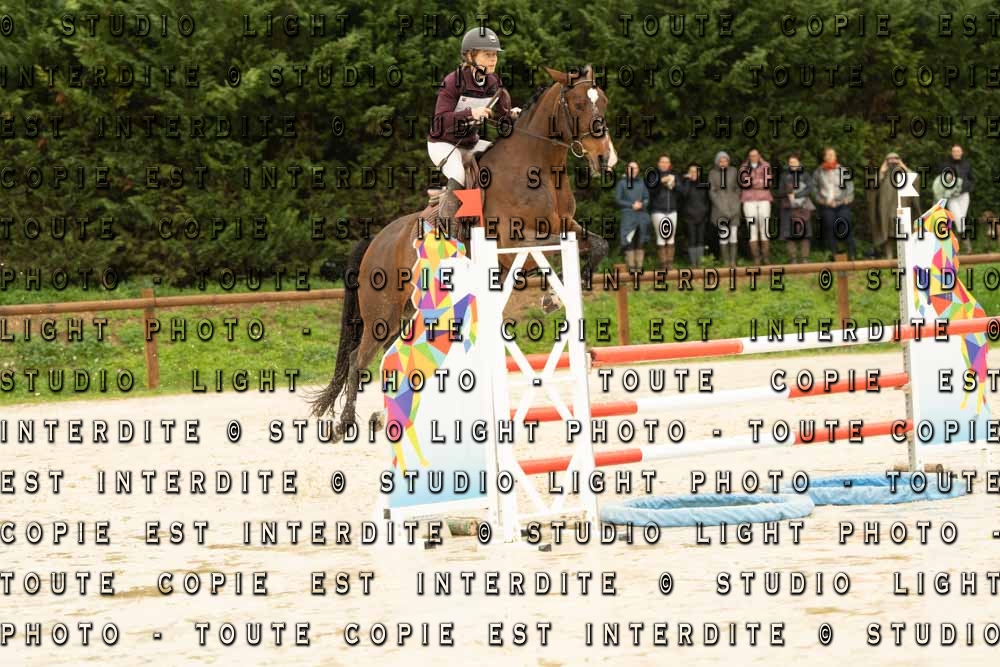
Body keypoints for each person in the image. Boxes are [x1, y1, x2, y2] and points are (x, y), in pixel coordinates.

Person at [427, 28, 520, 224]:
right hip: (443, 144)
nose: (493, 60)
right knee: (458, 174)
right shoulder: (453, 81)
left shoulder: (493, 82)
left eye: (494, 55)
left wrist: (513, 115)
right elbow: (440, 120)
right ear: (470, 56)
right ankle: (448, 228)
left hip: (471, 143)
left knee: (501, 161)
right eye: (487, 55)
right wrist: (471, 113)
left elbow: (503, 115)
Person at [867, 152, 920, 259]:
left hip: (902, 207)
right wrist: (881, 172)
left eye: (895, 159)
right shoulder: (883, 174)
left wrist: (904, 168)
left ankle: (904, 256)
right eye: (889, 159)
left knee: (903, 230)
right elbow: (872, 186)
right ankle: (889, 256)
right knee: (887, 231)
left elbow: (916, 179)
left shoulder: (905, 173)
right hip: (885, 208)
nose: (892, 161)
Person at [812, 147, 856, 260]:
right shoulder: (818, 172)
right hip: (827, 204)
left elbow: (850, 185)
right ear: (824, 157)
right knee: (829, 226)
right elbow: (814, 188)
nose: (832, 157)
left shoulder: (842, 170)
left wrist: (848, 198)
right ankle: (834, 253)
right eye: (829, 155)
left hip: (841, 203)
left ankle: (852, 253)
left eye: (833, 155)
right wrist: (820, 199)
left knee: (845, 224)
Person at [777, 154, 815, 264]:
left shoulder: (805, 175)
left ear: (799, 163)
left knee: (805, 233)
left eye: (794, 162)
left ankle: (804, 258)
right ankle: (792, 259)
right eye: (790, 162)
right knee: (789, 233)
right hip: (787, 206)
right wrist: (788, 193)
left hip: (803, 206)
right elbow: (779, 191)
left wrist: (797, 195)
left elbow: (810, 188)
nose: (792, 164)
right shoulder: (784, 176)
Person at [739, 148, 775, 265]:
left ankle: (766, 257)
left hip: (764, 199)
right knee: (752, 228)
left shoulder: (766, 166)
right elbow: (744, 183)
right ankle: (756, 258)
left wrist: (754, 182)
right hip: (749, 200)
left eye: (755, 155)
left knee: (765, 228)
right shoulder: (744, 167)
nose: (753, 157)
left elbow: (768, 182)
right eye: (751, 155)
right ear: (748, 156)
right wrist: (759, 181)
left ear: (759, 155)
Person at [940, 144, 975, 254]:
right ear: (952, 153)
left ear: (961, 152)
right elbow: (942, 179)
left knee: (960, 221)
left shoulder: (966, 164)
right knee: (959, 219)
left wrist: (968, 187)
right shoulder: (946, 165)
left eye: (958, 151)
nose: (956, 153)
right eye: (954, 151)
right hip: (952, 197)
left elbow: (972, 179)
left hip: (964, 196)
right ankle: (967, 246)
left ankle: (956, 248)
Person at [616, 161, 651, 272]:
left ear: (638, 170)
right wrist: (631, 205)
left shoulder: (642, 183)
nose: (633, 170)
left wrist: (642, 204)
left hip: (642, 215)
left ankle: (639, 268)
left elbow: (647, 198)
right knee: (629, 240)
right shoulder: (621, 183)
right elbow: (618, 200)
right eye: (631, 167)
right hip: (628, 215)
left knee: (641, 240)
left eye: (635, 168)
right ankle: (631, 269)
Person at [709, 151, 741, 268]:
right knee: (723, 235)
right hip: (719, 208)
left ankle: (733, 261)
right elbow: (711, 192)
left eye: (725, 160)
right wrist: (720, 206)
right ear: (717, 162)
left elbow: (738, 188)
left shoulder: (734, 171)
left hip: (734, 206)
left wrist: (736, 202)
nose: (723, 163)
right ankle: (726, 261)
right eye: (721, 161)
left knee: (733, 235)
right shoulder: (712, 173)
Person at [647, 155, 679, 272]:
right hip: (658, 210)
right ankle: (663, 264)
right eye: (662, 162)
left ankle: (670, 264)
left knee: (671, 237)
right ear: (658, 163)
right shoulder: (653, 175)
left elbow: (681, 192)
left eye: (667, 162)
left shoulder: (674, 175)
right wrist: (661, 182)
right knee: (661, 236)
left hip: (672, 210)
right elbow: (651, 190)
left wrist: (674, 185)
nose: (665, 164)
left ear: (669, 164)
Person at [678, 163, 710, 268]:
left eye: (695, 171)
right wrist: (687, 180)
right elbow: (684, 194)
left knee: (701, 239)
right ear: (688, 173)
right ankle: (693, 263)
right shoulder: (685, 184)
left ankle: (699, 263)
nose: (693, 173)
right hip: (689, 217)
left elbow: (707, 200)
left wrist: (705, 212)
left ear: (699, 173)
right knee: (692, 239)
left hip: (702, 216)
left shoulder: (703, 184)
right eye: (691, 171)